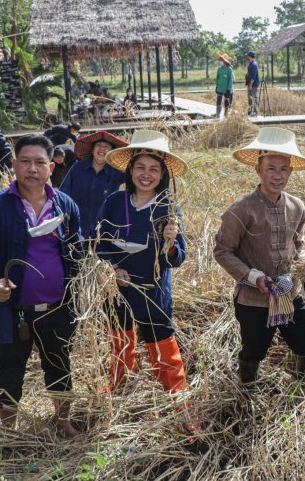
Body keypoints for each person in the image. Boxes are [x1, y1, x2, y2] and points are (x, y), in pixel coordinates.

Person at [0, 134, 83, 437]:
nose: (32, 168)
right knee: (9, 370)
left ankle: (63, 420)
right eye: (25, 161)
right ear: (14, 165)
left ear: (51, 167)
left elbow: (78, 250)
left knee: (59, 366)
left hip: (57, 307)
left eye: (40, 162)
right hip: (12, 310)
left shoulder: (65, 205)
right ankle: (8, 428)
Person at [213, 127, 305, 384]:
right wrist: (253, 277)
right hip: (254, 300)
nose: (278, 176)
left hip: (290, 291)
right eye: (271, 168)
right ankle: (246, 394)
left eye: (283, 169)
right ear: (258, 170)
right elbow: (222, 251)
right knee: (253, 352)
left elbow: (298, 245)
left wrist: (304, 261)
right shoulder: (240, 210)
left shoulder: (296, 206)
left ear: (291, 171)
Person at [93, 131, 195, 411]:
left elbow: (177, 259)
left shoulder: (167, 208)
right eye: (140, 167)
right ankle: (119, 388)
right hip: (117, 289)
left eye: (153, 169)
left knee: (162, 345)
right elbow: (97, 243)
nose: (146, 174)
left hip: (152, 291)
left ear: (162, 174)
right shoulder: (114, 202)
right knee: (119, 340)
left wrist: (171, 244)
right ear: (130, 170)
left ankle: (178, 399)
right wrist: (111, 269)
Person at [60, 131, 127, 240]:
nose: (102, 149)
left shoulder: (117, 172)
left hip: (105, 228)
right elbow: (63, 193)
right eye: (99, 145)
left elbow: (136, 181)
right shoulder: (78, 167)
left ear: (112, 152)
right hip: (78, 226)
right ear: (92, 150)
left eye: (106, 147)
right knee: (79, 255)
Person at [215, 53, 235, 118]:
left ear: (225, 61)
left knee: (227, 102)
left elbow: (230, 80)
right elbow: (217, 79)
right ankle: (217, 114)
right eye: (220, 60)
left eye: (221, 60)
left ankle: (226, 114)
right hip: (220, 88)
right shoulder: (219, 69)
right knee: (218, 101)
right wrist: (217, 87)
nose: (220, 62)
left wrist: (229, 89)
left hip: (227, 89)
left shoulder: (229, 69)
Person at [245, 51, 260, 117]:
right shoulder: (250, 63)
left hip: (253, 84)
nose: (247, 58)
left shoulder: (254, 65)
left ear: (251, 57)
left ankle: (255, 111)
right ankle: (251, 110)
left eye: (248, 56)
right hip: (250, 83)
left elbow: (253, 76)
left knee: (254, 97)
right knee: (250, 97)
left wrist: (250, 84)